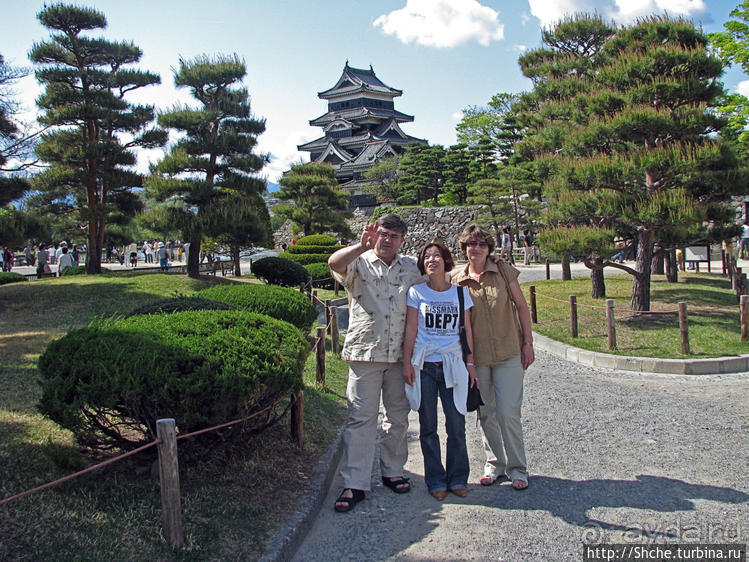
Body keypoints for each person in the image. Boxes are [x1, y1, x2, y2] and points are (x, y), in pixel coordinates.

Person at [327, 214, 421, 512]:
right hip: (364, 353)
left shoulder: (411, 267)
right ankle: (355, 482)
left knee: (397, 418)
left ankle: (393, 471)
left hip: (399, 356)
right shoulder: (359, 261)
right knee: (361, 419)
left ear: (402, 239)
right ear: (374, 233)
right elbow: (334, 263)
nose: (388, 239)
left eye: (394, 235)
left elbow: (437, 281)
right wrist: (360, 244)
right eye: (383, 234)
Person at [453, 224, 535, 491]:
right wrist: (468, 362)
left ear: (489, 248)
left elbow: (521, 305)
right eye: (470, 244)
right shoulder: (458, 279)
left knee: (508, 412)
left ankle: (518, 467)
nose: (476, 249)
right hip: (478, 358)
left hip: (509, 351)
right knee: (485, 412)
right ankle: (494, 463)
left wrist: (528, 343)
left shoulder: (502, 270)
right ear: (464, 249)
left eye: (482, 244)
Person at [402, 242, 478, 500]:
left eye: (436, 255)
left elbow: (467, 331)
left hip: (453, 365)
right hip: (424, 365)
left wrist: (471, 364)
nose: (431, 260)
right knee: (428, 426)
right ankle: (435, 480)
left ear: (446, 260)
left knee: (456, 425)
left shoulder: (459, 293)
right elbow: (411, 329)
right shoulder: (416, 292)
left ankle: (458, 477)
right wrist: (406, 363)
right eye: (426, 256)